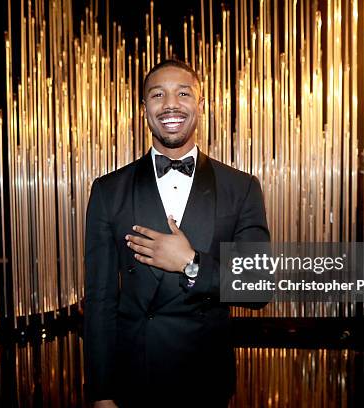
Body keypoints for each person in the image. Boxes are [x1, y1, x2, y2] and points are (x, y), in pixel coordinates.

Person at [83, 59, 270, 408]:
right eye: (158, 95)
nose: (170, 104)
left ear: (200, 105)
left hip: (205, 378)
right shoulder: (109, 190)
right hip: (134, 378)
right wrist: (101, 391)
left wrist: (191, 263)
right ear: (144, 110)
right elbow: (99, 300)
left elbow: (258, 287)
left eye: (183, 93)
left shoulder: (241, 187)